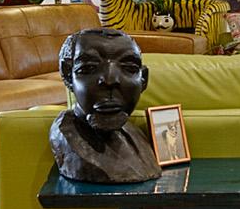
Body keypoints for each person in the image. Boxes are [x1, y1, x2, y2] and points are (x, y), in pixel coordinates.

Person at [49, 29, 160, 183]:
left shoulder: (135, 134)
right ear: (68, 75)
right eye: (88, 68)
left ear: (144, 80)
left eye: (129, 68)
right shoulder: (66, 137)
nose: (110, 79)